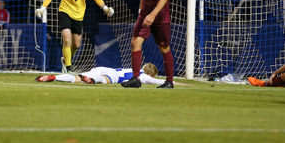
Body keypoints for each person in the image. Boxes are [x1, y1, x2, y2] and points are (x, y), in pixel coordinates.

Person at [35, 0, 114, 74]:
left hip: (78, 15)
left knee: (77, 44)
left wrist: (105, 8)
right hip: (65, 11)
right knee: (67, 40)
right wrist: (42, 8)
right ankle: (68, 68)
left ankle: (66, 60)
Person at [122, 0, 175, 89]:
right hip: (145, 15)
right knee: (135, 43)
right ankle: (136, 79)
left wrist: (152, 15)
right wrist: (141, 9)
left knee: (164, 48)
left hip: (160, 17)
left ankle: (169, 81)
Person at [35, 63, 190, 86]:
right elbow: (160, 83)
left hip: (103, 67)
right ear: (151, 74)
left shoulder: (133, 67)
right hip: (111, 75)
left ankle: (55, 77)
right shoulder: (143, 76)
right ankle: (92, 80)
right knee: (104, 81)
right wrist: (182, 83)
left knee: (76, 77)